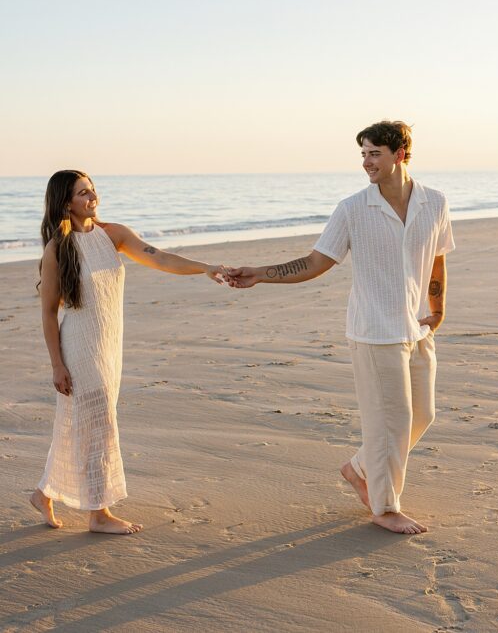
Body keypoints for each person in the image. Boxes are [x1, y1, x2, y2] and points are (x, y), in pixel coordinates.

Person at [225, 121, 453, 535]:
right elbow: (316, 263)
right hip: (374, 331)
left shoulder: (435, 202)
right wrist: (259, 273)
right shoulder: (352, 209)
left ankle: (359, 468)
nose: (366, 162)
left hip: (417, 328)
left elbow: (437, 258)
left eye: (374, 153)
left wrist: (436, 308)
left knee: (423, 415)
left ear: (399, 153)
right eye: (363, 154)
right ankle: (385, 507)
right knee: (391, 423)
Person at [31, 170, 228, 534]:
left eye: (92, 189)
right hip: (78, 345)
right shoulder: (58, 249)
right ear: (65, 203)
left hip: (108, 344)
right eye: (83, 193)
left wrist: (205, 268)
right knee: (99, 422)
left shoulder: (113, 235)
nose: (93, 197)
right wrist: (57, 365)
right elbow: (47, 312)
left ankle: (44, 493)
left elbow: (160, 258)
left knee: (85, 422)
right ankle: (99, 514)